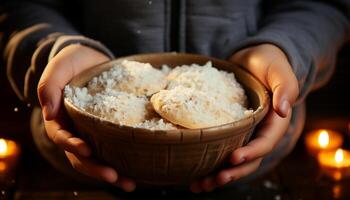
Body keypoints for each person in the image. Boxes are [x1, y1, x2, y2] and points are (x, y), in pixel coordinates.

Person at [1, 0, 349, 193]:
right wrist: (52, 50)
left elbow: (326, 4)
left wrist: (284, 50)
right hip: (84, 157)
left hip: (245, 159)